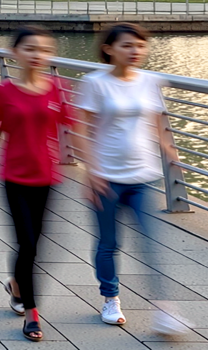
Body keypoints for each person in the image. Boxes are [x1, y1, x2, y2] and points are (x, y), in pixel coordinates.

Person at [73, 22, 190, 338]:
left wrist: (169, 151)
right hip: (106, 178)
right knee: (109, 243)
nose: (135, 51)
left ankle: (165, 310)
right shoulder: (95, 83)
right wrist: (90, 172)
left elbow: (157, 122)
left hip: (142, 176)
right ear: (109, 49)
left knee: (151, 241)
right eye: (127, 45)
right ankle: (110, 299)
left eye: (140, 45)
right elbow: (81, 130)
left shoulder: (150, 81)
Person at [0, 26, 76, 343]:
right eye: (30, 48)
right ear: (15, 53)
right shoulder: (4, 91)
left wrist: (93, 171)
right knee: (27, 244)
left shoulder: (57, 88)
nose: (37, 54)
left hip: (48, 178)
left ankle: (16, 284)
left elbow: (74, 129)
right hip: (13, 178)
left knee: (37, 247)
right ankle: (32, 314)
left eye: (43, 49)